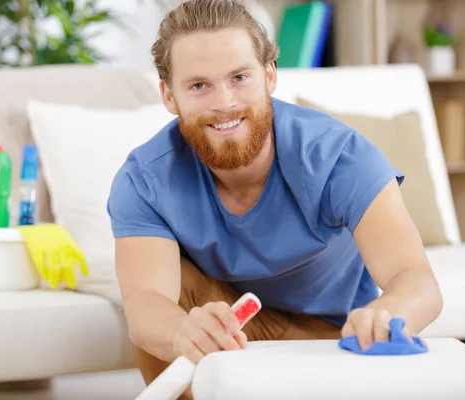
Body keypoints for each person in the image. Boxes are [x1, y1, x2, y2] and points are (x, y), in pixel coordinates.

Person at [107, 0, 443, 396]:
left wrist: (387, 314)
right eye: (199, 85)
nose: (223, 103)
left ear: (269, 76)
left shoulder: (339, 157)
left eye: (239, 77)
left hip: (335, 337)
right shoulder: (144, 179)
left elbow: (418, 281)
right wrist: (182, 331)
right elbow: (146, 304)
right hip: (233, 328)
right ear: (168, 96)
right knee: (173, 293)